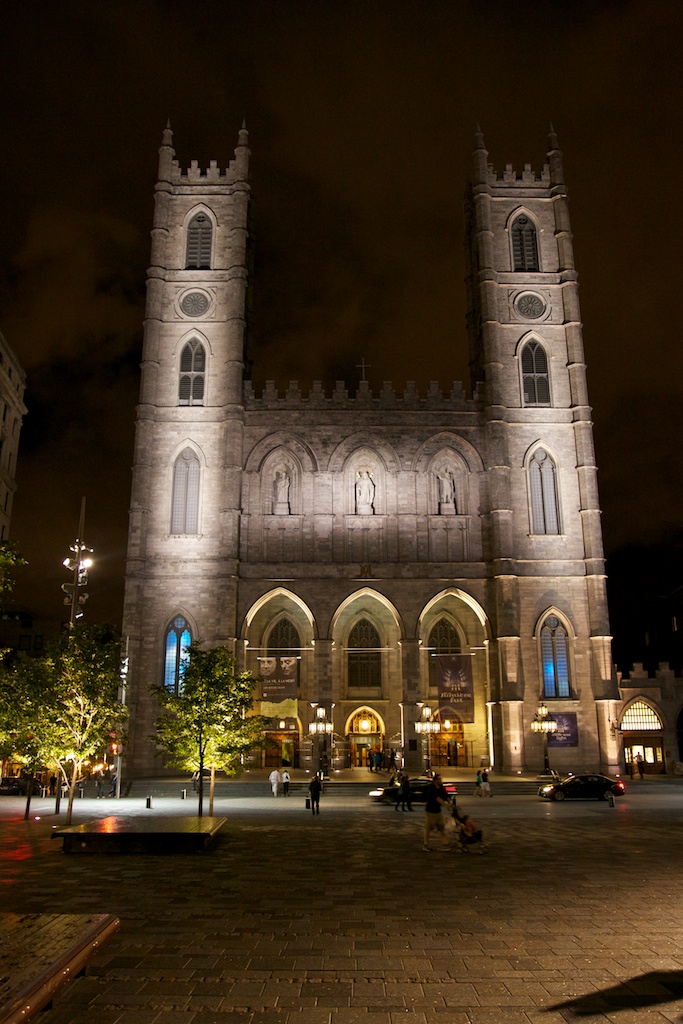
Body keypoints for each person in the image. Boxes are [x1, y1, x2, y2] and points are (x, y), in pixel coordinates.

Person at [423, 773, 453, 851]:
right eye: (439, 779)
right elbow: (437, 798)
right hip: (430, 811)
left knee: (441, 827)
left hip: (438, 811)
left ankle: (444, 843)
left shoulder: (441, 787)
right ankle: (426, 844)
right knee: (428, 828)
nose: (440, 781)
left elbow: (445, 795)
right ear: (435, 780)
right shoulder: (431, 788)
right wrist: (446, 804)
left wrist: (450, 802)